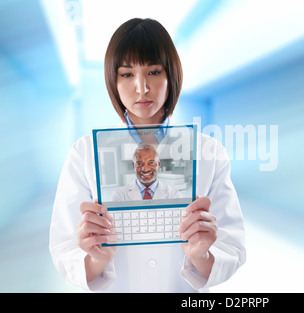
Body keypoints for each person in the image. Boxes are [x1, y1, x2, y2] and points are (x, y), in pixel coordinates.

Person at [49, 18, 246, 292]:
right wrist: (95, 258)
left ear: (171, 76)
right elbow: (64, 247)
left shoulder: (208, 152)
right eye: (127, 74)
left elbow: (233, 246)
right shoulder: (84, 154)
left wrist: (201, 254)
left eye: (153, 72)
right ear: (113, 81)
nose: (141, 88)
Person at [111, 144, 181, 201]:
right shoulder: (119, 195)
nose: (145, 169)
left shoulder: (173, 194)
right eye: (139, 164)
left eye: (151, 163)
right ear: (133, 165)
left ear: (158, 164)